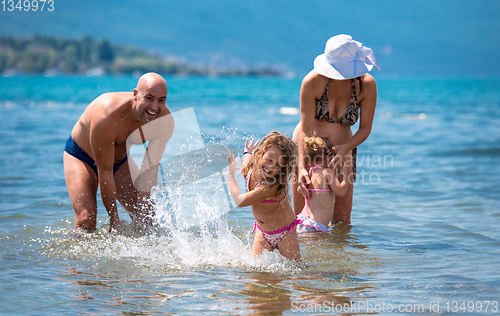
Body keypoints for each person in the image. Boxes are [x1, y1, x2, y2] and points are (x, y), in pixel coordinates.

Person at [64, 72, 175, 233]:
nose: (154, 107)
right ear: (136, 94)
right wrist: (113, 218)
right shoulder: (107, 116)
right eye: (149, 98)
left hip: (119, 161)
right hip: (82, 157)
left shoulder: (164, 122)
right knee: (86, 221)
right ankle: (74, 257)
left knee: (149, 221)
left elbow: (149, 170)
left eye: (161, 100)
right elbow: (105, 171)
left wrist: (143, 214)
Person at [292, 34, 379, 225]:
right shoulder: (312, 81)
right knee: (300, 218)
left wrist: (346, 148)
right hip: (308, 148)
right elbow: (306, 130)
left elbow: (365, 129)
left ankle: (337, 256)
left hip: (344, 149)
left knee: (342, 222)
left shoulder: (366, 85)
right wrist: (301, 167)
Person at [226, 132, 301, 262]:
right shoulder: (249, 168)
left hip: (285, 233)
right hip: (263, 232)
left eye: (277, 165)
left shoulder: (270, 185)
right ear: (260, 154)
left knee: (296, 272)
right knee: (257, 276)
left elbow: (239, 200)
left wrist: (230, 176)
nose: (271, 166)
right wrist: (247, 152)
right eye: (269, 159)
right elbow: (246, 160)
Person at [296, 136, 348, 233]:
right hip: (316, 226)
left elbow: (300, 191)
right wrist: (344, 174)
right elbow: (341, 191)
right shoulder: (327, 172)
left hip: (303, 221)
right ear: (329, 157)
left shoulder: (310, 173)